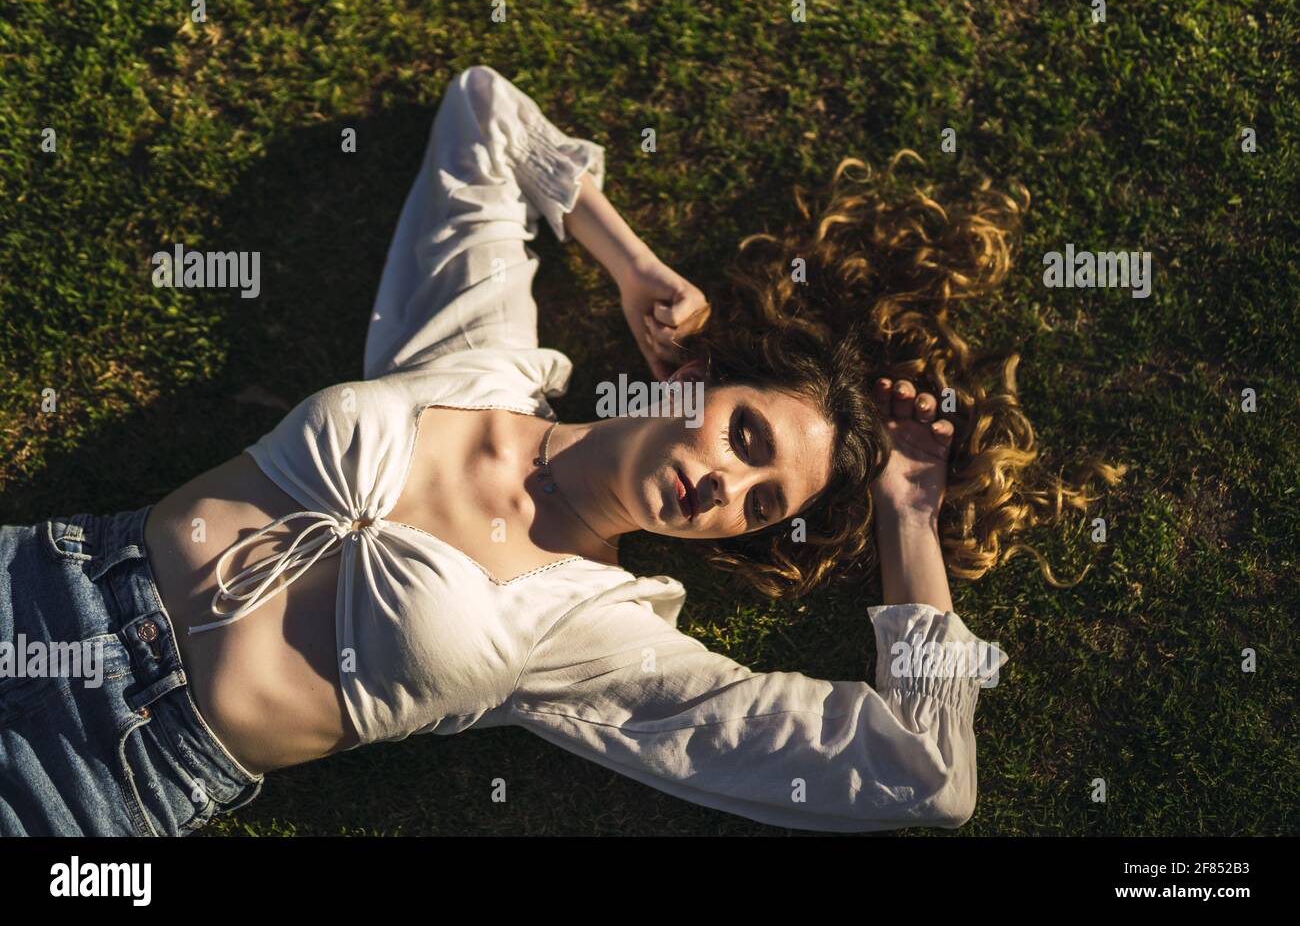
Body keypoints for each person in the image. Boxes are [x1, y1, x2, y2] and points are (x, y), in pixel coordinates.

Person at [4, 64, 1121, 836]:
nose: (726, 483)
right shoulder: (482, 360)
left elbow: (922, 774)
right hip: (45, 581)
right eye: (744, 432)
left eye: (758, 498)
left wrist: (906, 513)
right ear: (694, 378)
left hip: (102, 787)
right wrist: (629, 264)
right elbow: (484, 115)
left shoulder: (598, 637)